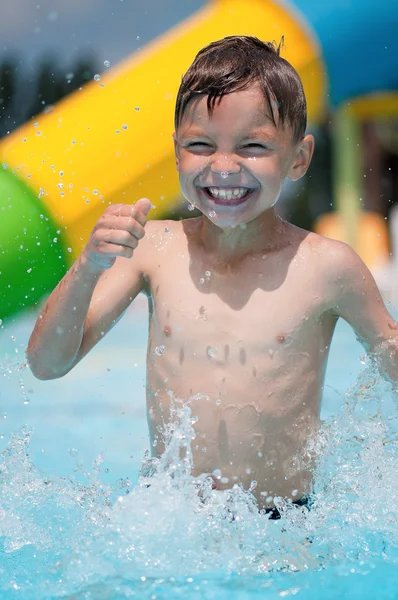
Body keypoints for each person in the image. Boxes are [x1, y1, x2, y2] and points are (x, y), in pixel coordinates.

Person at [26, 36, 398, 518]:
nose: (223, 167)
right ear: (176, 151)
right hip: (172, 519)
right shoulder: (152, 250)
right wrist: (87, 266)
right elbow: (46, 364)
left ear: (299, 158)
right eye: (200, 145)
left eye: (254, 146)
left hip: (281, 523)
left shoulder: (326, 266)